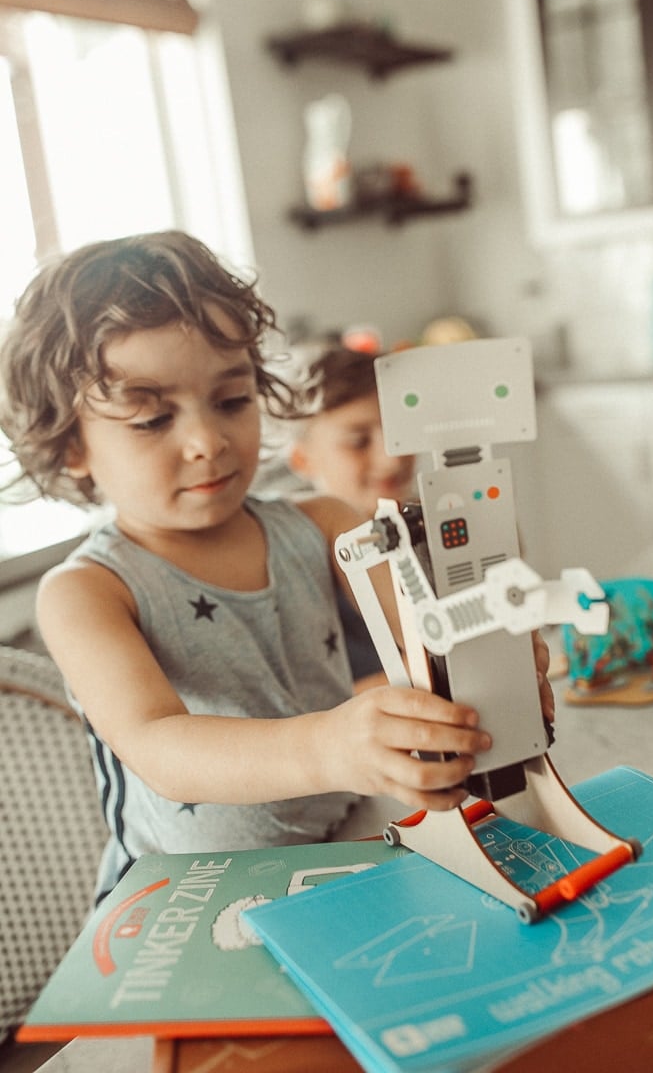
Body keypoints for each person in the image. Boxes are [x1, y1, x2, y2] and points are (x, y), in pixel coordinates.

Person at [0, 231, 552, 902]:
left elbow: (428, 640)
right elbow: (158, 746)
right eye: (151, 420)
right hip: (182, 900)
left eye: (231, 401)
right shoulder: (85, 592)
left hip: (337, 847)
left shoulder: (324, 523)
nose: (208, 441)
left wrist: (488, 672)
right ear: (69, 448)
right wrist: (330, 749)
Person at [283, 345, 416, 685]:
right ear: (302, 460)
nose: (392, 458)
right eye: (358, 441)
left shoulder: (430, 528)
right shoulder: (291, 563)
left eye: (401, 434)